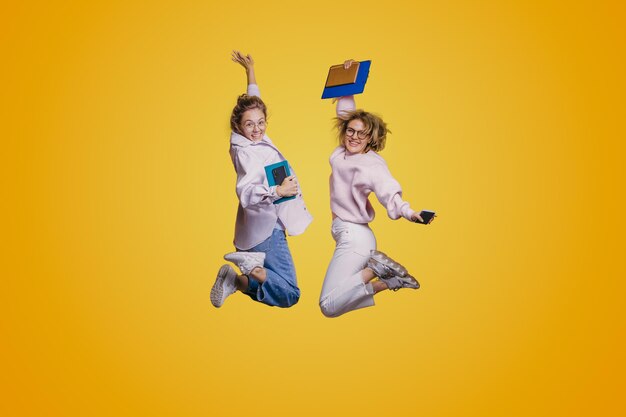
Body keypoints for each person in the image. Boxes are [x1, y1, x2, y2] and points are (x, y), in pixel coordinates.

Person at [319, 59, 435, 318]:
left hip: (355, 235)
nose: (354, 137)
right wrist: (348, 80)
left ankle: (375, 269)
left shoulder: (371, 164)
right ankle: (388, 281)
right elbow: (345, 112)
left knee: (328, 305)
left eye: (362, 134)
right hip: (347, 233)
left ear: (372, 138)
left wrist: (409, 212)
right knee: (342, 294)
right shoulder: (342, 152)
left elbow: (388, 191)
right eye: (351, 131)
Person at [211, 51, 312, 308]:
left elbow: (254, 102)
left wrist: (250, 71)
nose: (257, 129)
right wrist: (278, 190)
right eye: (250, 125)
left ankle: (236, 280)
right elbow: (246, 193)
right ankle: (252, 266)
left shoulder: (253, 137)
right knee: (290, 293)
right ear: (238, 127)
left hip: (254, 233)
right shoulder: (247, 152)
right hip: (268, 229)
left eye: (261, 122)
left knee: (265, 284)